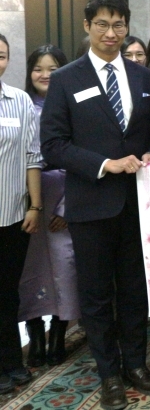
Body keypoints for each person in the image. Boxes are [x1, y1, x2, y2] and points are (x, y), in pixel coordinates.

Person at [41, 0, 150, 410]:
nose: (111, 33)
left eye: (118, 25)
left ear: (127, 26)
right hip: (91, 204)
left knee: (134, 291)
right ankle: (109, 374)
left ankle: (136, 365)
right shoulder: (66, 78)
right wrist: (103, 164)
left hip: (137, 205)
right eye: (102, 25)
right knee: (96, 296)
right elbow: (53, 145)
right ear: (87, 26)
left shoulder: (144, 78)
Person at [19, 45, 77, 370]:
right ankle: (35, 336)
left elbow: (80, 160)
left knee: (66, 269)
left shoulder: (72, 107)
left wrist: (68, 208)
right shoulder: (21, 105)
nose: (45, 75)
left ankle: (58, 335)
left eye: (52, 69)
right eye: (38, 69)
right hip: (28, 202)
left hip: (64, 197)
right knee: (29, 272)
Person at [0, 35, 43, 395]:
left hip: (12, 214)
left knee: (8, 293)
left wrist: (35, 205)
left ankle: (12, 361)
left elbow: (32, 157)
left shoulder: (20, 101)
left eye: (1, 56)